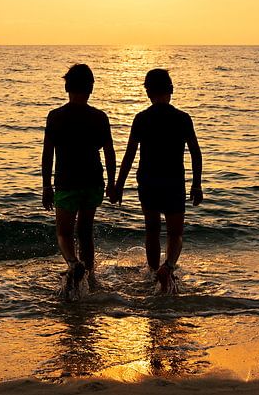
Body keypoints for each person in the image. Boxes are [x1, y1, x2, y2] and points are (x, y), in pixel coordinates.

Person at [114, 69, 203, 293]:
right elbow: (195, 152)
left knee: (152, 230)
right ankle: (169, 267)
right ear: (171, 90)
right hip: (173, 181)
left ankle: (154, 275)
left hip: (148, 181)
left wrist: (119, 185)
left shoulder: (142, 118)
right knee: (176, 233)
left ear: (147, 92)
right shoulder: (182, 118)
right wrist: (197, 184)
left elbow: (130, 154)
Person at [42, 64, 116, 295]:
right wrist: (112, 183)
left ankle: (74, 264)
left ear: (66, 87)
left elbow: (47, 154)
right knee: (85, 232)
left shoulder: (55, 116)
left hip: (66, 182)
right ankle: (90, 279)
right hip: (93, 181)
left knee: (64, 233)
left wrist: (46, 185)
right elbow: (110, 152)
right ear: (91, 88)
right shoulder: (99, 117)